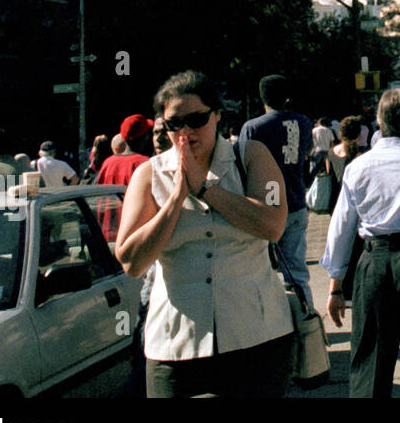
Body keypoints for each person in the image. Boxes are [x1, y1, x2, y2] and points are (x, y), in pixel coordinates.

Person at [115, 70, 294, 399]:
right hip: (175, 343)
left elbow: (273, 225)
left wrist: (207, 190)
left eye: (196, 120)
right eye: (174, 124)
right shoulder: (148, 174)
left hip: (256, 335)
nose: (186, 132)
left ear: (217, 116)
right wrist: (174, 201)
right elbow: (132, 261)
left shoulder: (251, 156)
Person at [322, 88, 400, 398]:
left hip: (373, 268)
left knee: (372, 357)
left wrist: (335, 288)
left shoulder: (358, 167)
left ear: (379, 121)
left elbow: (340, 231)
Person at [239, 74, 315, 310]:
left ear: (262, 97)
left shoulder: (253, 127)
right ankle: (307, 319)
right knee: (296, 271)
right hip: (295, 201)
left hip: (265, 206)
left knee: (259, 271)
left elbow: (241, 165)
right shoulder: (303, 122)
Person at [311, 116, 335, 182]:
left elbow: (311, 141)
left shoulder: (315, 130)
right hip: (326, 151)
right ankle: (323, 182)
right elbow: (332, 142)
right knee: (324, 169)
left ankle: (311, 182)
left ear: (319, 123)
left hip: (317, 150)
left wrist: (310, 152)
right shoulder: (329, 130)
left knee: (314, 168)